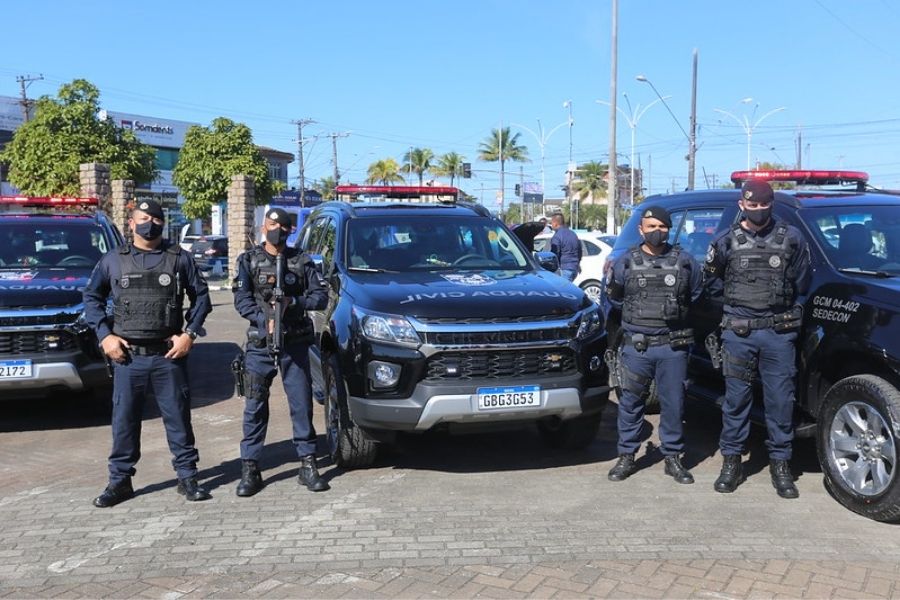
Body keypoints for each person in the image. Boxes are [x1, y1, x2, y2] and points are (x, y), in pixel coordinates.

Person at [83, 199, 213, 507]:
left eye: (155, 218)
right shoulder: (113, 260)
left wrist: (189, 335)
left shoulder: (179, 259)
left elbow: (203, 298)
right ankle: (120, 482)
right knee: (124, 420)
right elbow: (92, 298)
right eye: (143, 218)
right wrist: (105, 335)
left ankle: (187, 477)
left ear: (162, 223)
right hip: (128, 356)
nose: (149, 223)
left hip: (169, 355)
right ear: (130, 223)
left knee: (178, 419)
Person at [705, 180, 810, 499]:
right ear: (742, 205)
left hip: (778, 334)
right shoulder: (725, 241)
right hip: (739, 333)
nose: (759, 212)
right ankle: (732, 463)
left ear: (772, 204)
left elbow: (803, 283)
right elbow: (710, 283)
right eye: (753, 206)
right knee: (736, 401)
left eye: (765, 206)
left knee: (781, 401)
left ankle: (781, 465)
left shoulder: (792, 238)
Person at [232, 207, 329, 496]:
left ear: (288, 231)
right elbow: (241, 299)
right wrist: (265, 319)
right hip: (260, 345)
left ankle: (308, 463)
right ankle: (250, 467)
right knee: (255, 407)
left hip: (295, 344)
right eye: (271, 224)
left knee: (301, 405)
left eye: (281, 225)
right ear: (263, 227)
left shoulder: (301, 261)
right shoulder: (248, 260)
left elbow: (319, 297)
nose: (275, 229)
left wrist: (293, 304)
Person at [605, 206, 703, 484]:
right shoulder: (625, 262)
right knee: (631, 403)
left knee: (673, 404)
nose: (657, 231)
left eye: (662, 226)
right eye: (651, 227)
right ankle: (627, 455)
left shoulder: (685, 262)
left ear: (669, 229)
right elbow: (615, 298)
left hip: (672, 347)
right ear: (641, 229)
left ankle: (672, 457)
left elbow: (695, 294)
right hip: (638, 347)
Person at [549, 213, 582, 281]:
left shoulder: (557, 236)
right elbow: (580, 251)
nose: (551, 225)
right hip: (574, 268)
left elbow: (554, 254)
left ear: (555, 223)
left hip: (564, 269)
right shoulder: (573, 234)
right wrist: (577, 263)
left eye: (551, 223)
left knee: (562, 290)